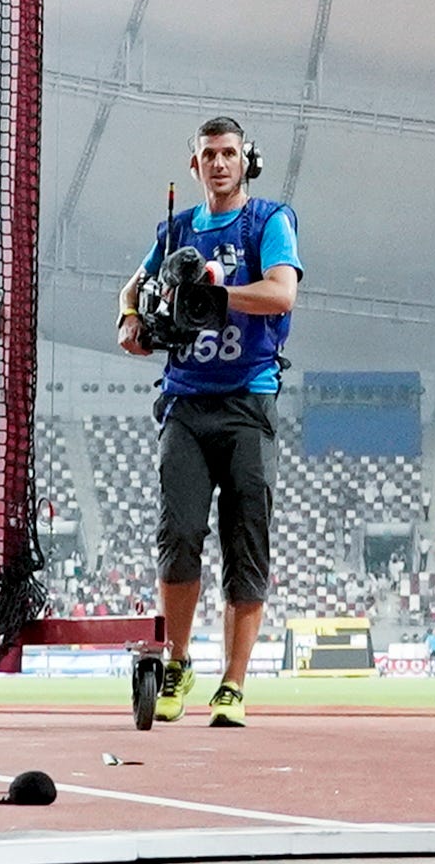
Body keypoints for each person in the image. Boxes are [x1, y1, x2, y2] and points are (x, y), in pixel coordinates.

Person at [117, 116, 302, 727]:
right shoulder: (173, 232)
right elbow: (132, 289)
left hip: (250, 399)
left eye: (229, 153)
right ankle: (176, 661)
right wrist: (131, 325)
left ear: (246, 160)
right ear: (193, 165)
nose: (219, 164)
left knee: (247, 541)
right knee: (177, 535)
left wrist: (216, 296)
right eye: (208, 155)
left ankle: (233, 683)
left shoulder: (270, 220)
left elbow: (280, 295)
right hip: (186, 402)